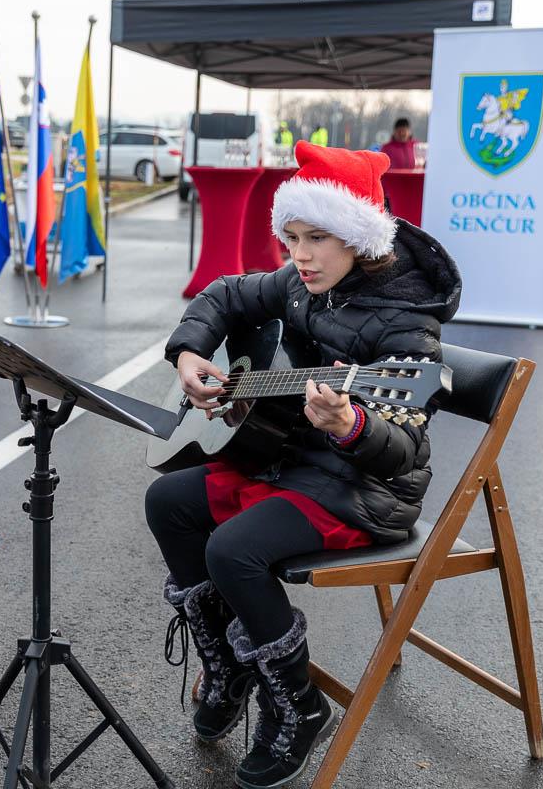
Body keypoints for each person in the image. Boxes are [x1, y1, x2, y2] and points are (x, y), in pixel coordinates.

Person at [144, 140, 460, 789]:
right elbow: (227, 294)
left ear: (358, 238)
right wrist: (190, 351)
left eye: (317, 238)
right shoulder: (302, 282)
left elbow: (402, 446)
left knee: (232, 550)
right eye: (291, 238)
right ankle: (227, 665)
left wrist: (351, 425)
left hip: (366, 489)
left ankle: (298, 705)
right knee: (167, 501)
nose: (300, 256)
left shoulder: (408, 326)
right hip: (288, 456)